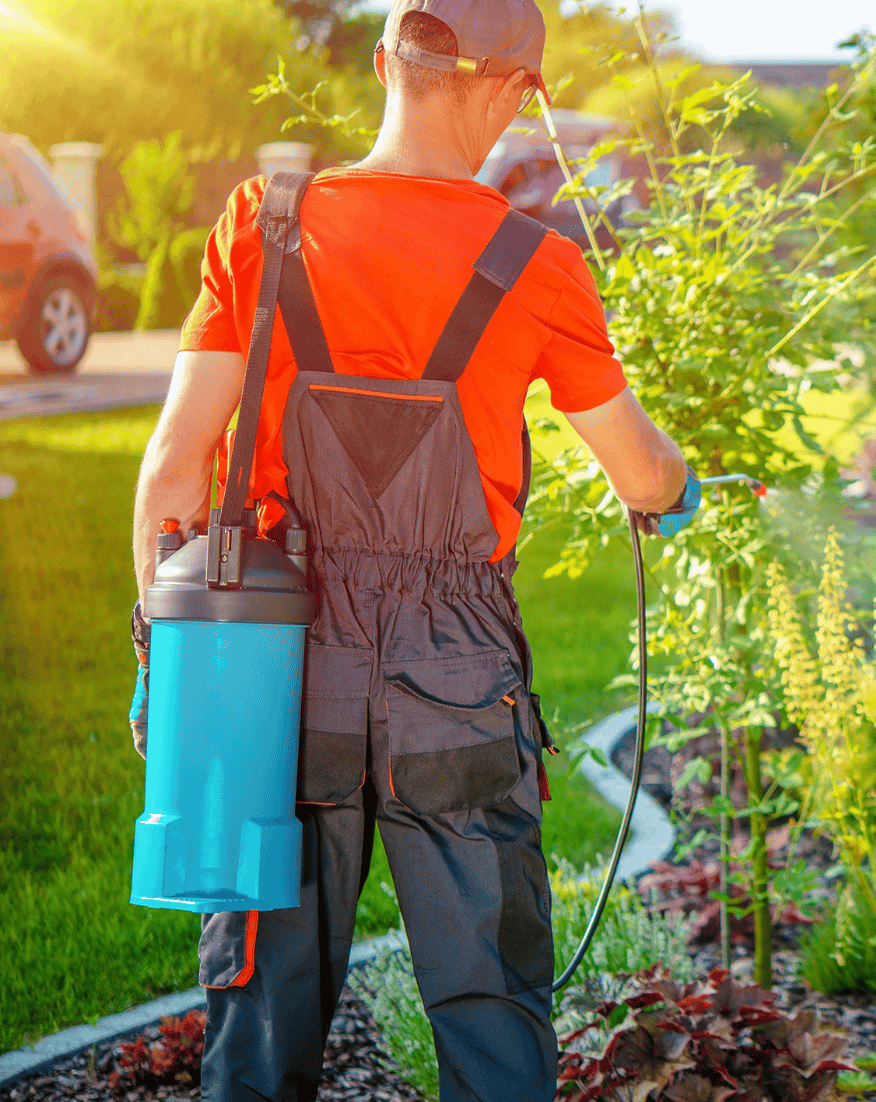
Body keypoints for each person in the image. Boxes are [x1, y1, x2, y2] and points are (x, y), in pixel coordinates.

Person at [127, 2, 695, 1099]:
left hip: (276, 671)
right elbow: (642, 474)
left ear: (385, 62)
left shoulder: (262, 221)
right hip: (458, 675)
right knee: (491, 1012)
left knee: (257, 1014)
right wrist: (677, 495)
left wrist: (169, 662)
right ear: (518, 92)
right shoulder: (536, 264)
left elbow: (169, 469)